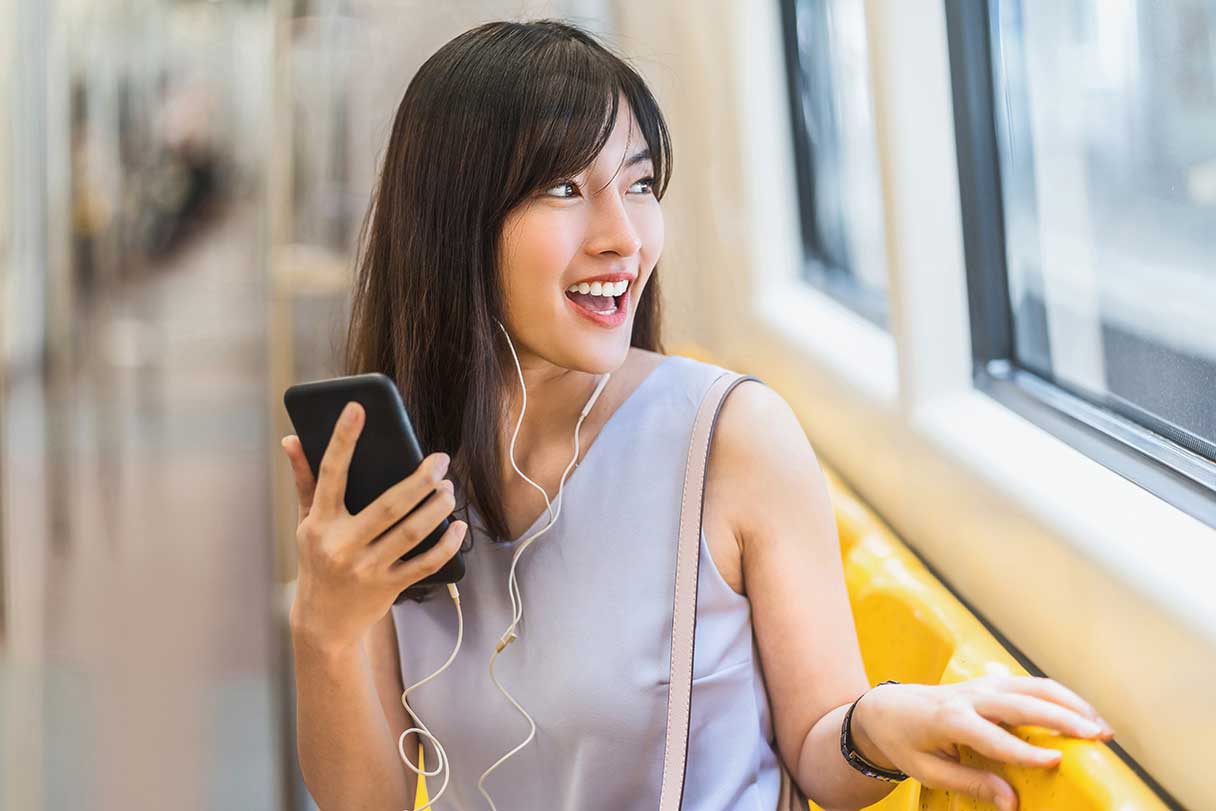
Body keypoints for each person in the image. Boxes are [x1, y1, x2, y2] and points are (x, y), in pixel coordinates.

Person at [279, 18, 1115, 811]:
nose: (624, 236)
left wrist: (877, 723)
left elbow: (823, 745)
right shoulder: (400, 465)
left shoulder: (732, 436)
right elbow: (370, 799)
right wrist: (326, 622)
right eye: (566, 187)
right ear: (453, 221)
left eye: (640, 184)